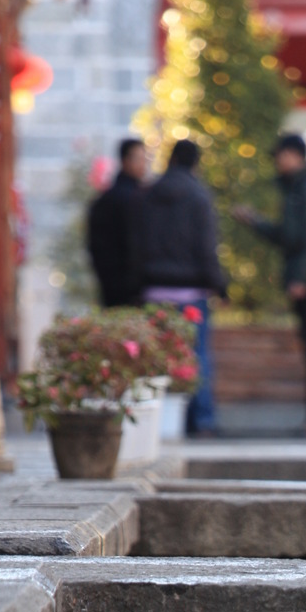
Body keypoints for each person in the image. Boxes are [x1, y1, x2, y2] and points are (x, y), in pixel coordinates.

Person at [233, 133, 306, 433]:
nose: (278, 163)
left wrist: (302, 278)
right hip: (305, 278)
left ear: (294, 155)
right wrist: (255, 222)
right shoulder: (297, 188)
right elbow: (288, 235)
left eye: (281, 156)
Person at [141, 139, 228, 438]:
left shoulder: (148, 194)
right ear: (195, 163)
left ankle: (156, 421)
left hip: (152, 289)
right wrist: (219, 285)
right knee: (198, 355)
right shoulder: (197, 195)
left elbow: (134, 243)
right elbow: (206, 247)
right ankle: (201, 420)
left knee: (155, 356)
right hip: (191, 291)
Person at [87, 138, 148, 309]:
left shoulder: (105, 199)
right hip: (133, 285)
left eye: (145, 159)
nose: (144, 164)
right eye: (139, 159)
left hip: (111, 284)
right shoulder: (138, 198)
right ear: (125, 161)